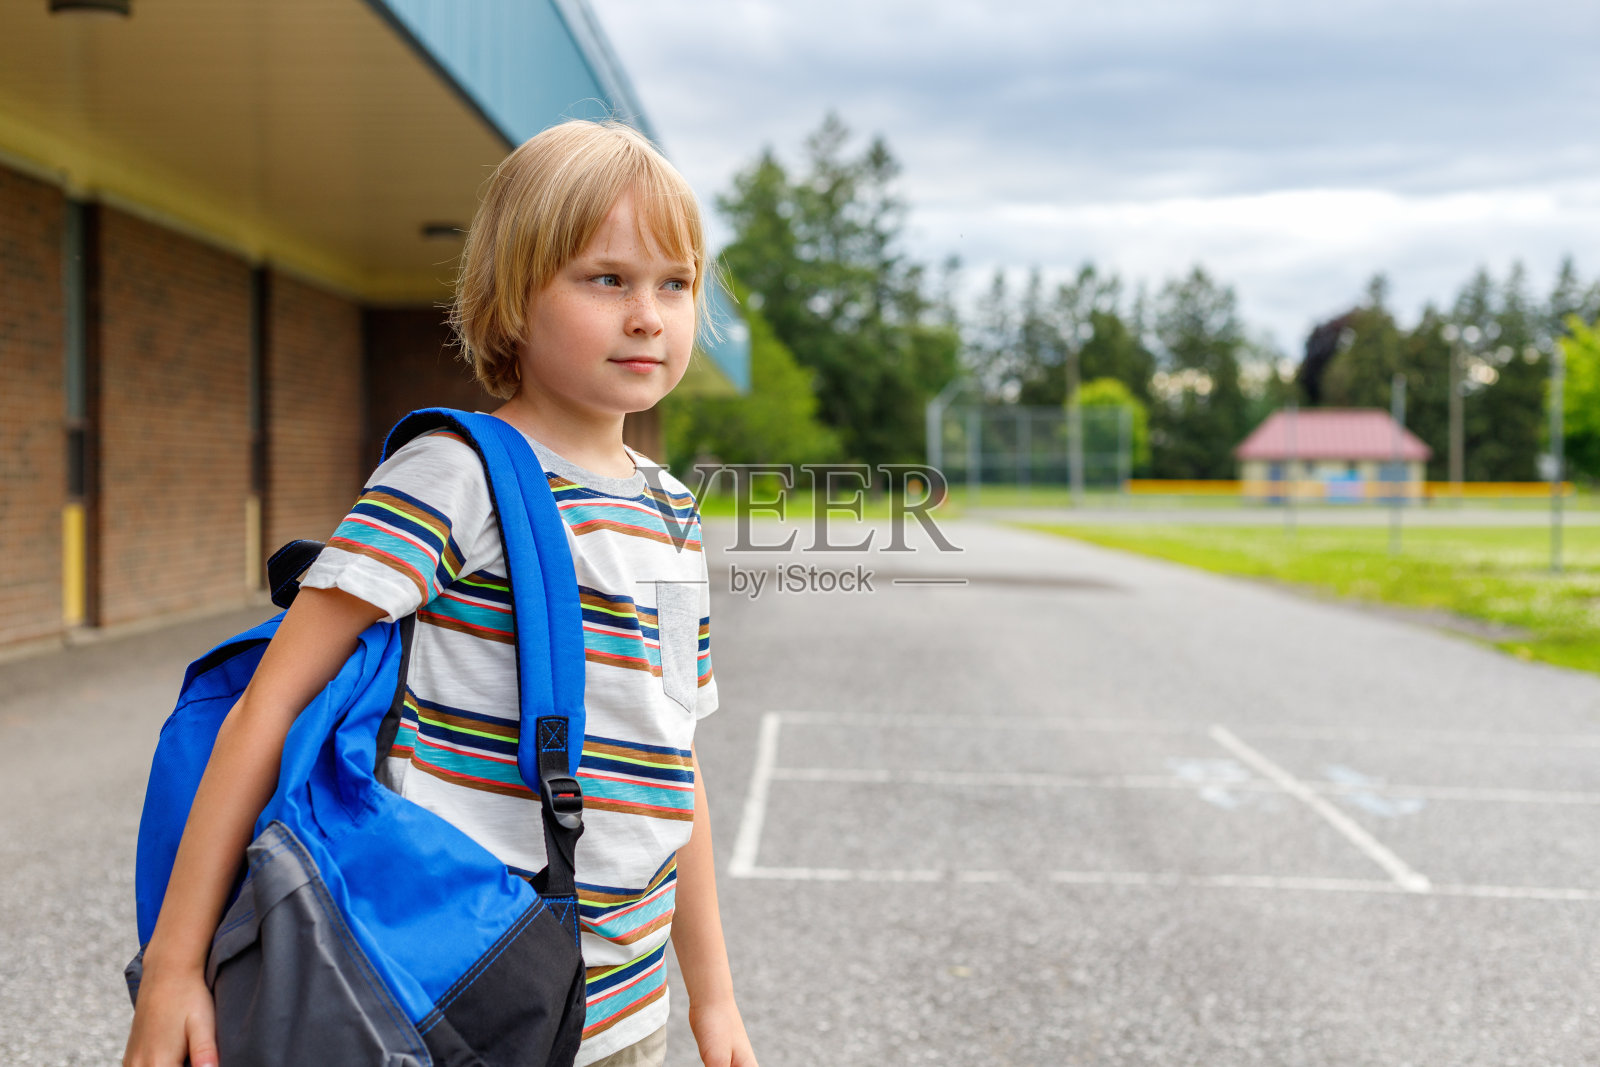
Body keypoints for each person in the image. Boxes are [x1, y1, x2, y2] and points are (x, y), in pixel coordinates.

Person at [124, 119, 758, 1067]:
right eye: (607, 279)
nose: (649, 315)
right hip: (463, 991)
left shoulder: (671, 511)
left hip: (625, 1016)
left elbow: (677, 765)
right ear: (513, 298)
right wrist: (175, 965)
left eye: (675, 283)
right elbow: (270, 704)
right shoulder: (456, 474)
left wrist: (713, 1000)